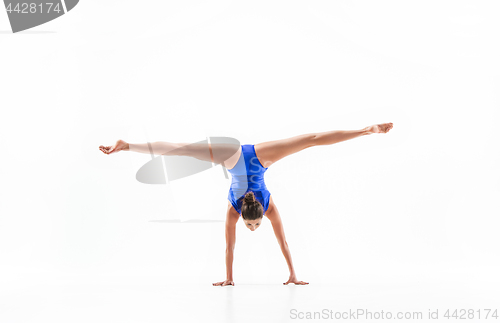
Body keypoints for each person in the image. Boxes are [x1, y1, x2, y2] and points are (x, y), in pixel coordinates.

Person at [99, 123, 394, 286]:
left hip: (245, 156)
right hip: (249, 157)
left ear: (244, 215)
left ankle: (367, 131)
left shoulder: (244, 210)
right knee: (182, 151)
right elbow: (278, 243)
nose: (252, 227)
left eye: (250, 225)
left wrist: (231, 278)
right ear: (258, 216)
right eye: (255, 225)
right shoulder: (255, 208)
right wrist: (290, 274)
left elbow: (236, 247)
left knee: (311, 140)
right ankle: (366, 131)